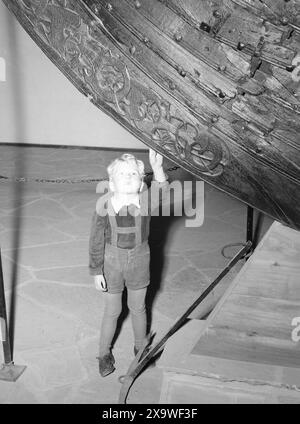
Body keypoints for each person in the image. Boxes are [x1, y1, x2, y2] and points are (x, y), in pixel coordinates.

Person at [89, 149, 168, 377]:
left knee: (138, 307)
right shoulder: (104, 206)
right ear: (111, 183)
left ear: (142, 182)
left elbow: (162, 191)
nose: (127, 177)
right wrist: (97, 271)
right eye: (121, 174)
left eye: (133, 173)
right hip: (111, 262)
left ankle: (141, 347)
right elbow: (95, 240)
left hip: (139, 261)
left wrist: (159, 169)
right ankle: (104, 353)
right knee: (112, 311)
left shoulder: (145, 200)